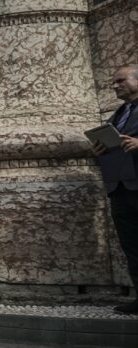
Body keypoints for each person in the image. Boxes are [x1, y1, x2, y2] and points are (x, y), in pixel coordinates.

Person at [93, 64, 138, 314]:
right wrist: (100, 149)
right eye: (114, 82)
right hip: (121, 189)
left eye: (121, 80)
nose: (115, 86)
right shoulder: (120, 113)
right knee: (132, 246)